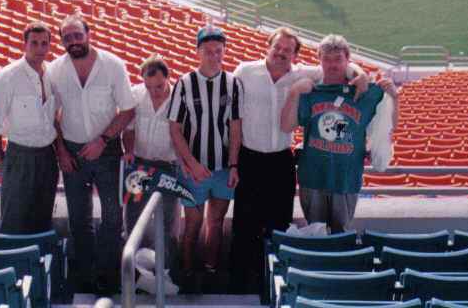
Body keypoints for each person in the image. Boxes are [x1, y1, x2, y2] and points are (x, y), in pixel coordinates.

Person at [229, 27, 369, 293]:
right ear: (268, 47)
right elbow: (233, 119)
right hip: (249, 158)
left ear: (295, 56)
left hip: (280, 161)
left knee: (279, 225)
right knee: (243, 225)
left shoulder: (303, 74)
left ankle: (271, 284)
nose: (281, 53)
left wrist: (360, 74)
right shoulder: (245, 71)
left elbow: (337, 66)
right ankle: (238, 285)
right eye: (277, 47)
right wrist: (233, 163)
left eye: (288, 50)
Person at [49, 15, 137, 295]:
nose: (73, 42)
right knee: (79, 218)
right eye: (67, 38)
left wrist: (103, 140)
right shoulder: (55, 70)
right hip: (72, 151)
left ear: (88, 34)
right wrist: (61, 150)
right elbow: (52, 114)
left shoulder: (113, 65)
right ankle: (85, 275)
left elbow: (127, 110)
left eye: (77, 35)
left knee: (113, 215)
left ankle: (107, 273)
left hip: (107, 150)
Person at [281, 34, 398, 233]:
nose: (332, 65)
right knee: (315, 232)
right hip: (313, 178)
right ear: (319, 60)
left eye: (338, 59)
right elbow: (287, 125)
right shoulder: (310, 90)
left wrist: (395, 98)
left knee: (340, 235)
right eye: (327, 59)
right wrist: (294, 94)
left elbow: (389, 126)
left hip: (346, 179)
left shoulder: (365, 93)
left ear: (347, 60)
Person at [168, 25, 243, 293]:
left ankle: (210, 270)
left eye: (218, 51)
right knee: (192, 223)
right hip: (192, 169)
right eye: (208, 51)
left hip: (223, 168)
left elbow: (235, 127)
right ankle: (188, 271)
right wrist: (190, 163)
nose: (214, 56)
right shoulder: (185, 83)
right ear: (198, 51)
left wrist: (234, 164)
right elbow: (174, 128)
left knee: (216, 222)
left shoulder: (233, 83)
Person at [0, 21, 59, 234]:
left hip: (47, 157)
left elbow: (55, 116)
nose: (39, 49)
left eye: (44, 44)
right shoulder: (8, 76)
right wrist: (2, 160)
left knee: (43, 220)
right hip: (19, 155)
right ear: (24, 44)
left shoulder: (53, 74)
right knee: (14, 220)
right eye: (34, 43)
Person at [123, 55, 181, 275]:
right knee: (133, 217)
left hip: (168, 166)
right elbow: (128, 130)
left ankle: (165, 271)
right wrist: (128, 151)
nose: (153, 92)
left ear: (168, 78)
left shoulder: (179, 97)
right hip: (140, 165)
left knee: (167, 221)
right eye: (149, 87)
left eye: (158, 86)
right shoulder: (137, 95)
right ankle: (134, 273)